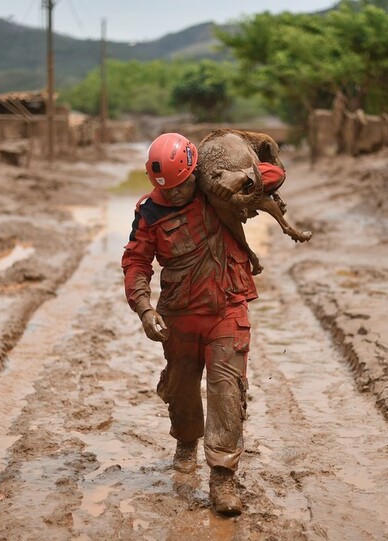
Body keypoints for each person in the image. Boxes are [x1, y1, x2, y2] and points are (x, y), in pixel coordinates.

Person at [121, 132, 267, 515]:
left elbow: (268, 175)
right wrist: (144, 308)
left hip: (228, 309)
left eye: (184, 185)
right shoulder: (149, 212)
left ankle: (222, 478)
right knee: (182, 388)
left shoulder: (216, 189)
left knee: (226, 391)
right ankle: (186, 441)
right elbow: (137, 262)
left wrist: (240, 175)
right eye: (168, 189)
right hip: (180, 316)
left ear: (194, 172)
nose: (177, 195)